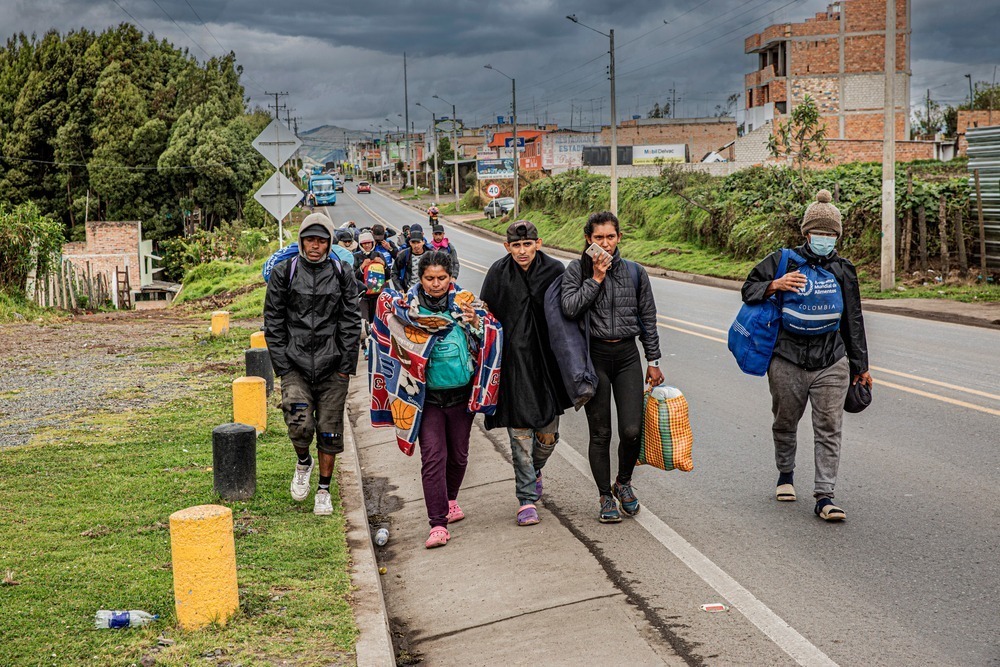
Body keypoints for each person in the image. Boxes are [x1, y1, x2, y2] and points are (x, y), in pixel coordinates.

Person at [740, 189, 871, 522]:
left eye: (830, 234)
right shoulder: (782, 261)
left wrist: (861, 367)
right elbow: (748, 289)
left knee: (829, 426)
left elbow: (853, 319)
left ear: (837, 236)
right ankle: (785, 475)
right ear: (806, 232)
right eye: (818, 233)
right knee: (785, 422)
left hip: (831, 361)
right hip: (786, 358)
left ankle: (825, 496)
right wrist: (775, 285)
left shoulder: (843, 269)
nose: (824, 239)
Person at [370, 251, 501, 548]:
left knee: (458, 456)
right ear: (421, 278)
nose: (436, 284)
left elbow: (491, 335)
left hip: (460, 396)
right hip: (424, 397)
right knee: (432, 458)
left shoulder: (467, 303)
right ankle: (437, 524)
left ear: (451, 277)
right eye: (429, 278)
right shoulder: (406, 308)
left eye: (442, 278)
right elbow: (388, 332)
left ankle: (450, 499)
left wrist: (476, 323)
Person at [561, 211, 663, 523]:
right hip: (595, 358)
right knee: (601, 432)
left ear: (619, 238)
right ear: (587, 240)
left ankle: (623, 483)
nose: (605, 243)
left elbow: (648, 318)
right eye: (598, 237)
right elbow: (569, 308)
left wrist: (653, 360)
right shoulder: (575, 271)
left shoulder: (635, 272)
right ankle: (605, 494)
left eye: (610, 237)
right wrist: (596, 278)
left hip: (628, 356)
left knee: (632, 430)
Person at [263, 213, 362, 515]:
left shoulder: (342, 272)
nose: (315, 246)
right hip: (295, 366)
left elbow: (350, 320)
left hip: (334, 368)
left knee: (330, 432)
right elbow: (273, 321)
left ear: (329, 242)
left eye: (321, 240)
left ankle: (323, 490)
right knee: (299, 423)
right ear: (301, 241)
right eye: (309, 240)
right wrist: (283, 366)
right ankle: (303, 461)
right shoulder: (285, 272)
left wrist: (346, 366)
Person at [480, 221, 572, 526]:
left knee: (547, 436)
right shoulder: (497, 273)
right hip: (512, 368)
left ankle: (533, 472)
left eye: (527, 244)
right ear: (506, 247)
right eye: (516, 246)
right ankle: (526, 499)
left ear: (538, 243)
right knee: (519, 437)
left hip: (548, 367)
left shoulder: (556, 271)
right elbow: (486, 314)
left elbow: (571, 313)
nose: (522, 251)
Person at [354, 230, 387, 323]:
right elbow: (352, 277)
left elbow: (388, 275)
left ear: (373, 243)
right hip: (363, 296)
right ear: (360, 244)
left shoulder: (379, 255)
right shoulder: (356, 257)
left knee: (377, 321)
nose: (367, 245)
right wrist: (361, 267)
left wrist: (383, 265)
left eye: (368, 243)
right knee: (364, 321)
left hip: (378, 294)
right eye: (364, 243)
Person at [391, 224, 428, 292]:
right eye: (413, 242)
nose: (416, 245)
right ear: (410, 243)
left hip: (427, 291)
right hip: (409, 291)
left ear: (423, 242)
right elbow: (394, 272)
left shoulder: (431, 255)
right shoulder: (403, 255)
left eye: (418, 242)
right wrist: (399, 288)